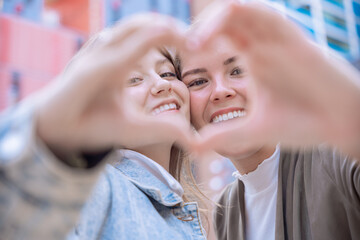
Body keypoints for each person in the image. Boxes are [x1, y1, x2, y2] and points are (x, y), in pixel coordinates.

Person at [0, 14, 208, 240]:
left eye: (167, 73)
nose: (162, 84)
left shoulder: (181, 208)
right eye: (134, 79)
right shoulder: (96, 189)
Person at [179, 1, 360, 240]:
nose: (221, 91)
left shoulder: (336, 154)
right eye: (198, 82)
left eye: (237, 70)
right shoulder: (226, 212)